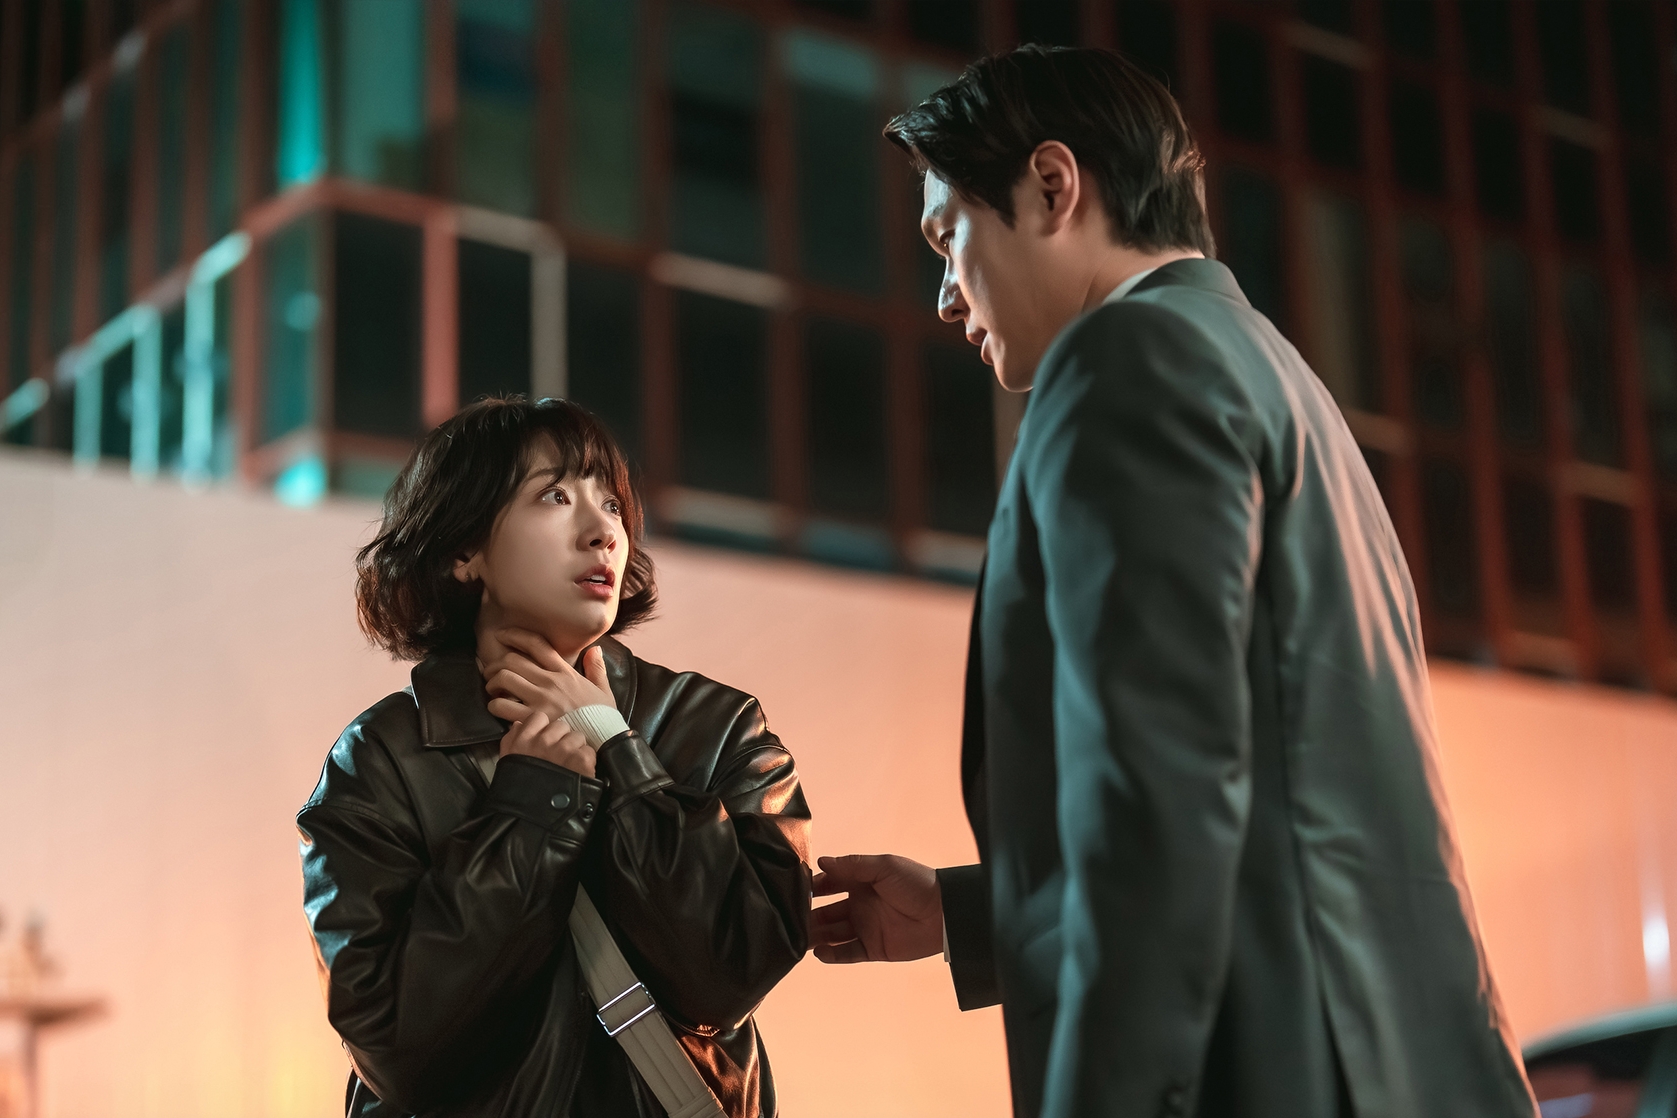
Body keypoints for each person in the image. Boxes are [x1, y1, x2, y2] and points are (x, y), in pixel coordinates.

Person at [809, 46, 1537, 1118]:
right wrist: (972, 916)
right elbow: (1266, 802)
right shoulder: (1274, 374)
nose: (944, 295)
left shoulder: (1125, 362)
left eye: (946, 234)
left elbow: (1157, 798)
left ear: (1051, 186)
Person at [298, 396, 811, 1117]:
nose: (602, 531)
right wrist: (533, 806)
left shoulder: (716, 725)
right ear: (464, 550)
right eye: (556, 496)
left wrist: (617, 750)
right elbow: (398, 1050)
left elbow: (727, 974)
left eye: (612, 504)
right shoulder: (381, 759)